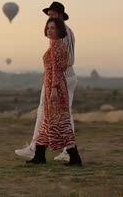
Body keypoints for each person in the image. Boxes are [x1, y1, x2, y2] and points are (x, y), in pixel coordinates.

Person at [15, 1, 78, 162]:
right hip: (61, 77)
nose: (50, 18)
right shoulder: (61, 34)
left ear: (61, 16)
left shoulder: (62, 34)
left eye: (53, 14)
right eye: (49, 15)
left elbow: (63, 61)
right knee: (55, 114)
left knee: (50, 113)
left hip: (60, 78)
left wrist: (54, 86)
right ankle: (47, 150)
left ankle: (40, 149)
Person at [25, 17, 82, 166]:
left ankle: (74, 156)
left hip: (55, 87)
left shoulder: (57, 45)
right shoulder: (57, 44)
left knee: (60, 123)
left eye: (53, 28)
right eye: (48, 28)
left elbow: (58, 69)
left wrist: (54, 89)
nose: (50, 30)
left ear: (60, 30)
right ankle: (40, 155)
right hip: (54, 85)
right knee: (48, 121)